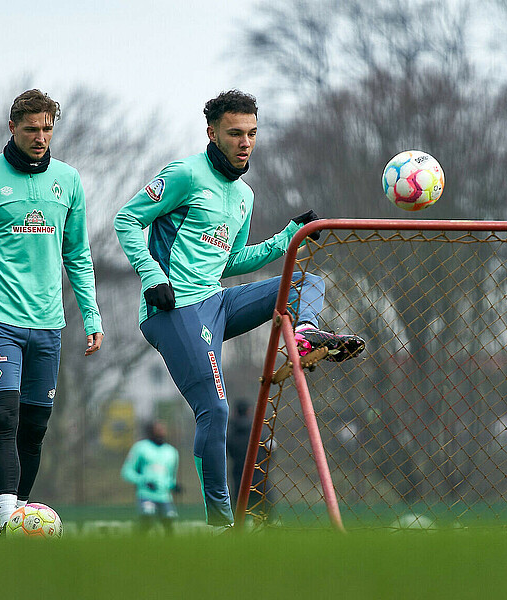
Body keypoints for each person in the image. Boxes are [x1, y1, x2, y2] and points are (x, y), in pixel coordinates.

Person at [114, 89, 364, 527]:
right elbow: (126, 220)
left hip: (216, 302)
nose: (245, 142)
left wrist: (288, 235)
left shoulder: (244, 196)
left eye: (251, 133)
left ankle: (304, 335)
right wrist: (152, 275)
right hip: (173, 310)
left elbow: (229, 261)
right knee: (216, 409)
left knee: (306, 282)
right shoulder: (184, 175)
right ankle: (220, 522)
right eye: (234, 133)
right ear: (212, 132)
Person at [0, 89, 104, 535]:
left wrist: (92, 316)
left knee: (35, 427)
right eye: (32, 128)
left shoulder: (68, 181)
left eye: (48, 128)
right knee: (4, 417)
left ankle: (22, 519)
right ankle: (8, 518)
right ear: (12, 127)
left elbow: (78, 255)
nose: (41, 137)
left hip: (49, 325)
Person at [121, 420, 180, 535]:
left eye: (163, 430)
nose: (161, 433)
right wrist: (144, 481)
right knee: (147, 519)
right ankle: (138, 545)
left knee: (169, 522)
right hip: (146, 495)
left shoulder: (171, 452)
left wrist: (174, 485)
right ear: (151, 432)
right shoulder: (140, 448)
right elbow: (127, 471)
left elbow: (170, 477)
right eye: (158, 430)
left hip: (164, 497)